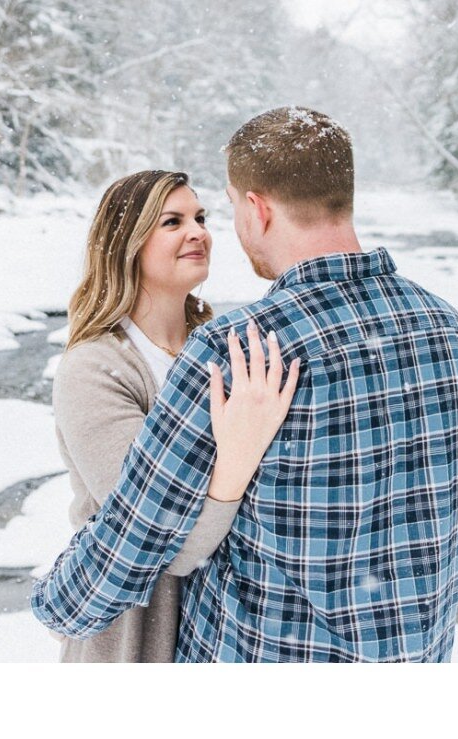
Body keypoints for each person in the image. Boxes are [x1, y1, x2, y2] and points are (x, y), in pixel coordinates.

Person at [31, 107, 458, 662]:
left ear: (256, 208)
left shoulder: (243, 351)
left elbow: (137, 536)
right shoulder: (450, 331)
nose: (202, 232)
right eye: (173, 222)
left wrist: (54, 604)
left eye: (213, 212)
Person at [46, 168, 301, 663]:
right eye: (172, 221)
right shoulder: (97, 368)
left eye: (201, 217)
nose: (198, 232)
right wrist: (236, 461)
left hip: (230, 625)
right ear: (127, 243)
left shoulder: (224, 345)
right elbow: (160, 541)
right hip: (138, 631)